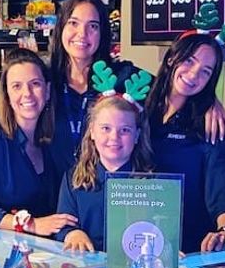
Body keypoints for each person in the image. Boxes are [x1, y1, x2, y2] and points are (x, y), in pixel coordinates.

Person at [0, 0, 225, 176]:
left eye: (93, 26)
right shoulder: (45, 78)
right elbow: (13, 106)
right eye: (74, 23)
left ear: (103, 34)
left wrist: (210, 101)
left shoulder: (124, 77)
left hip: (105, 197)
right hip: (52, 199)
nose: (82, 34)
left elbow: (173, 86)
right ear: (61, 28)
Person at [0, 49, 77, 235]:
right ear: (6, 94)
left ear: (47, 92)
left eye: (35, 84)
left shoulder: (52, 141)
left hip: (37, 252)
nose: (27, 93)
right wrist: (32, 224)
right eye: (17, 86)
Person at [144, 33, 225, 253]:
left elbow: (222, 189)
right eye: (189, 61)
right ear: (171, 59)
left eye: (206, 72)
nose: (194, 75)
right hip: (134, 234)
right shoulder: (138, 104)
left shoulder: (211, 124)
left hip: (187, 246)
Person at [55, 95, 154, 252]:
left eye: (125, 130)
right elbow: (64, 224)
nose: (114, 137)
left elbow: (162, 232)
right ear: (92, 132)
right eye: (106, 128)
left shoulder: (154, 184)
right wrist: (73, 233)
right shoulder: (74, 179)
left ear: (136, 136)